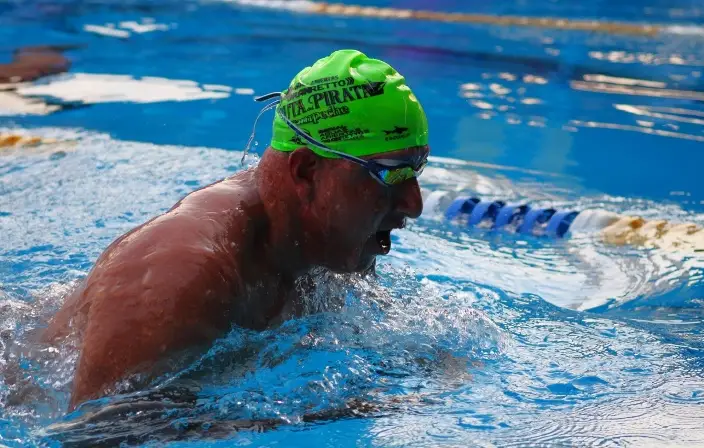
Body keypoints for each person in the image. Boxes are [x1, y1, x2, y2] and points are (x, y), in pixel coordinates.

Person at [41, 49, 430, 410]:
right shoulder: (176, 281)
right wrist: (330, 412)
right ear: (307, 171)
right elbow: (95, 434)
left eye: (417, 171)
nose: (414, 203)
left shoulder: (331, 242)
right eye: (391, 174)